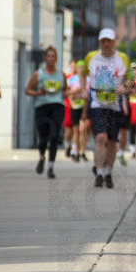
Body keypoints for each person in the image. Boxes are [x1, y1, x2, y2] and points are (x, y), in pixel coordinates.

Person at [82, 29, 132, 189]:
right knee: (100, 138)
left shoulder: (122, 58)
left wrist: (124, 88)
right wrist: (84, 88)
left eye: (108, 40)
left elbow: (131, 81)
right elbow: (83, 73)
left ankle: (108, 172)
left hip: (115, 105)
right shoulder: (91, 57)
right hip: (97, 104)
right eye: (103, 41)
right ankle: (99, 171)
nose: (106, 43)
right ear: (99, 42)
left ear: (113, 42)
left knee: (111, 142)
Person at [26, 47, 67, 179]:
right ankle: (42, 156)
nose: (51, 58)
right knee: (43, 135)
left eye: (53, 56)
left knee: (54, 135)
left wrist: (70, 92)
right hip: (42, 106)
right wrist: (38, 92)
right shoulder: (39, 74)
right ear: (45, 58)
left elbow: (65, 90)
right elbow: (28, 90)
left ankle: (50, 166)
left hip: (57, 106)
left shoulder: (61, 74)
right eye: (48, 56)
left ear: (56, 58)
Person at [67, 62, 90, 161]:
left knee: (83, 130)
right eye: (79, 68)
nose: (81, 70)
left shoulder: (88, 79)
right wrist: (73, 92)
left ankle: (82, 151)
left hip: (84, 107)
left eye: (82, 68)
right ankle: (75, 150)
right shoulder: (72, 79)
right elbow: (66, 92)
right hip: (74, 106)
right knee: (76, 131)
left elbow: (89, 94)